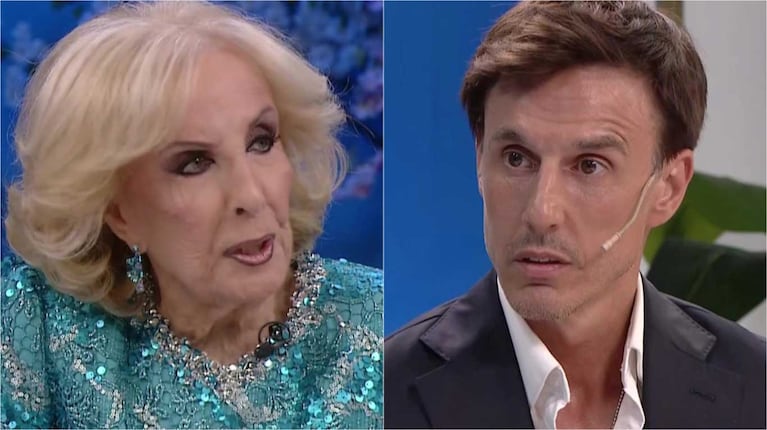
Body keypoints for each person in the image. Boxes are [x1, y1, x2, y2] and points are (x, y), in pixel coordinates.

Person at [1, 2, 382, 428]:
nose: (252, 196)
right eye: (195, 163)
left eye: (261, 141)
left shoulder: (378, 323)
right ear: (118, 213)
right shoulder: (36, 327)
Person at [384, 1, 765, 428]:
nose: (541, 212)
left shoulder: (756, 391)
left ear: (669, 187)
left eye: (589, 165)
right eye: (516, 158)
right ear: (479, 160)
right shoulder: (383, 396)